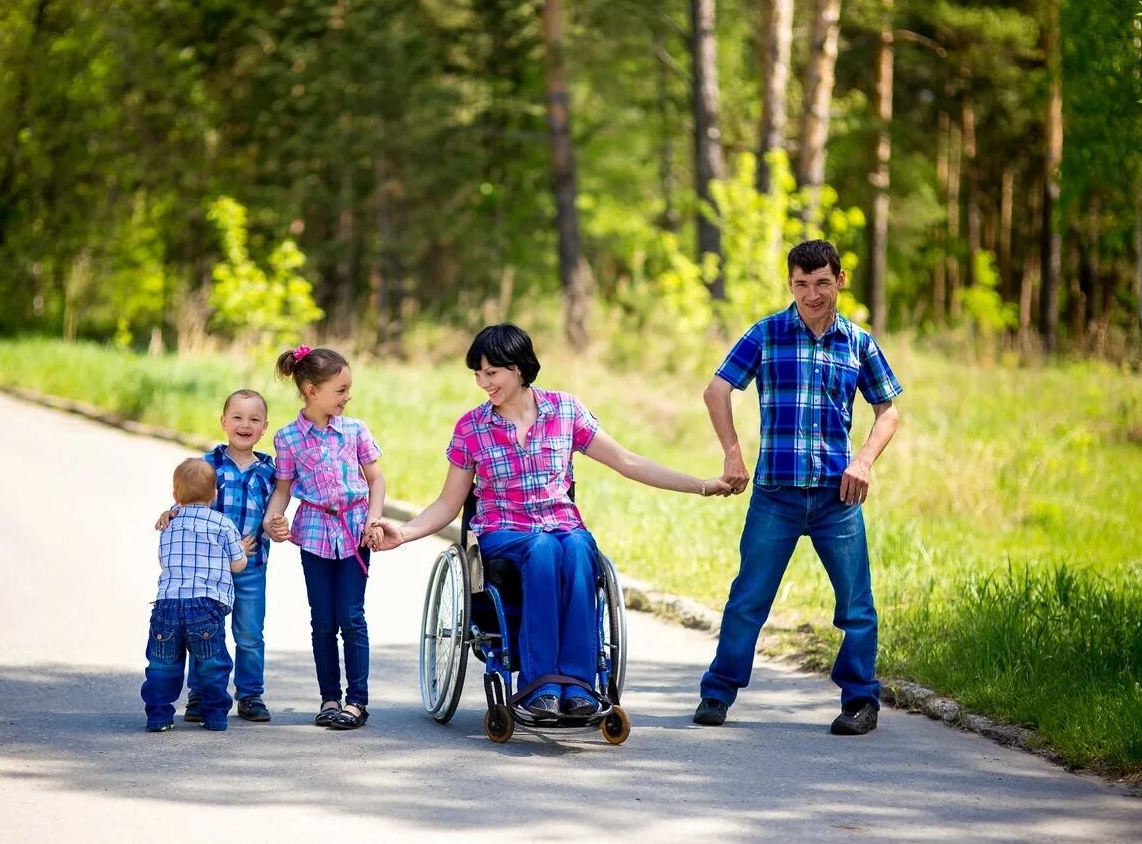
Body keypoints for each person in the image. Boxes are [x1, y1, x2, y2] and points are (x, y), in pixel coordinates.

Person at [369, 323, 730, 719]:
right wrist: (402, 533)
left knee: (577, 547)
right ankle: (539, 685)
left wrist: (702, 485)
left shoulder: (565, 411)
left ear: (519, 368)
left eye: (491, 372)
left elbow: (628, 462)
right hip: (503, 533)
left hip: (562, 526)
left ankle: (577, 686)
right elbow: (447, 503)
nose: (482, 383)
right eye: (477, 374)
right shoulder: (472, 428)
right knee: (541, 548)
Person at [693, 239, 902, 736]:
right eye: (802, 284)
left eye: (822, 283)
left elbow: (887, 410)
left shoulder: (858, 343)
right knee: (748, 599)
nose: (812, 294)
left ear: (840, 281)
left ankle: (859, 703)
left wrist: (865, 461)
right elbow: (717, 389)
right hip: (775, 496)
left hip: (838, 498)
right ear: (790, 283)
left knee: (856, 606)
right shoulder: (766, 334)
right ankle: (717, 695)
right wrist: (732, 452)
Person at [264, 346, 386, 730]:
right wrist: (274, 516)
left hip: (355, 531)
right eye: (341, 389)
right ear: (312, 391)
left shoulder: (354, 430)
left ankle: (357, 702)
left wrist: (375, 519)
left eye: (349, 388)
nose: (348, 396)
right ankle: (329, 698)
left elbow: (376, 480)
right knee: (322, 621)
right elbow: (284, 488)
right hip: (315, 533)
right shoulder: (287, 438)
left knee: (352, 616)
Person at [154, 390, 277, 724]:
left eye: (254, 419)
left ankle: (250, 695)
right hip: (208, 569)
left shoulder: (270, 472)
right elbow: (188, 501)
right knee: (203, 630)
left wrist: (276, 528)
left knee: (250, 634)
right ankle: (201, 694)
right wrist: (170, 513)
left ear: (264, 427)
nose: (244, 424)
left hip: (251, 565)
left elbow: (276, 510)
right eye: (237, 417)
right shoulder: (207, 464)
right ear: (224, 422)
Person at [142, 458, 247, 732]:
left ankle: (158, 716)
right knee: (212, 664)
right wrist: (240, 551)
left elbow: (164, 563)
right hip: (206, 606)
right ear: (215, 494)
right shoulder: (223, 525)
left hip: (167, 604)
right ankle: (213, 716)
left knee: (163, 664)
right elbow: (238, 564)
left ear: (175, 496)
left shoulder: (168, 525)